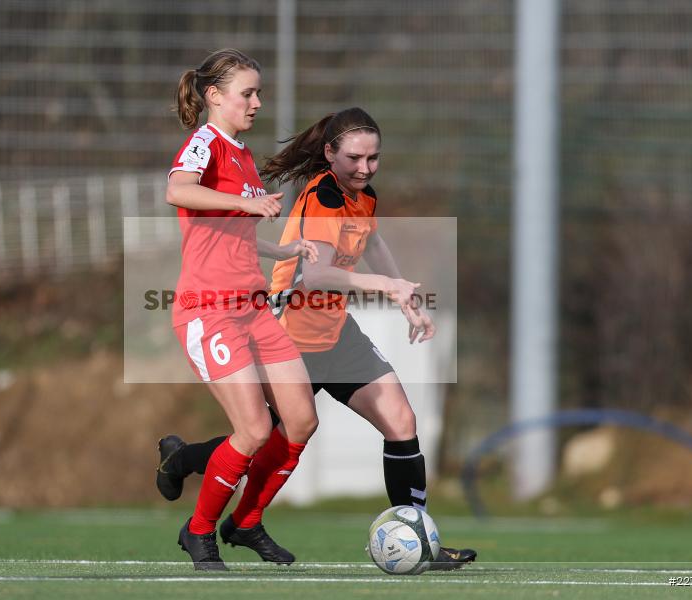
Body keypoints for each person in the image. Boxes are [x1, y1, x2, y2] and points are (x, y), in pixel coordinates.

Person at [157, 107, 477, 570]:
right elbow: (316, 276)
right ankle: (186, 463)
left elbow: (372, 242)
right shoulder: (323, 196)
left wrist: (405, 296)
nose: (365, 168)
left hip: (337, 333)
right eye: (354, 158)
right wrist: (386, 286)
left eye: (373, 158)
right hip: (291, 331)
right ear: (330, 153)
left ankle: (418, 537)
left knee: (401, 421)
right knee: (259, 437)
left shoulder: (362, 196)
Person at [166, 48, 318, 570]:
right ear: (214, 95)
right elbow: (177, 190)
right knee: (253, 431)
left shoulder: (244, 154)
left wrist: (283, 250)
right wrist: (246, 203)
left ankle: (246, 521)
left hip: (253, 309)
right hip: (208, 310)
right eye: (247, 93)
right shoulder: (205, 142)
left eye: (258, 93)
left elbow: (234, 235)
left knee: (300, 422)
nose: (257, 102)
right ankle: (198, 531)